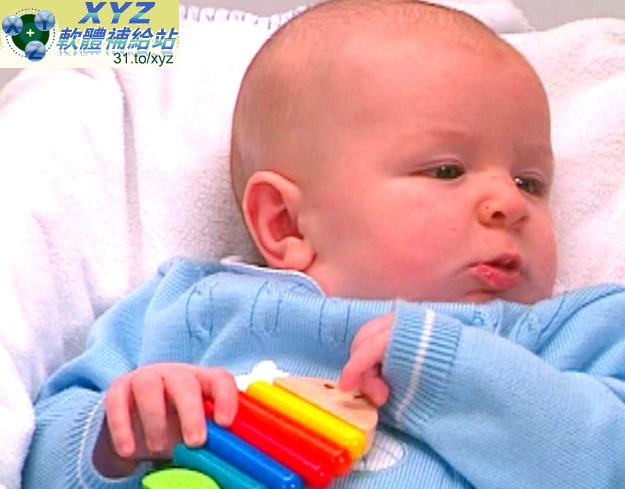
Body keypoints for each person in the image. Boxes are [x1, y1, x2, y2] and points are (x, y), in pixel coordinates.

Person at [23, 0, 625, 488]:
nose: (509, 203)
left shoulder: (563, 330)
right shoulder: (191, 308)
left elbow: (606, 461)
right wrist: (117, 435)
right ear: (286, 224)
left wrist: (451, 369)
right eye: (446, 171)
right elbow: (39, 454)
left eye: (530, 182)